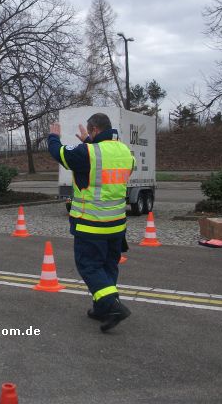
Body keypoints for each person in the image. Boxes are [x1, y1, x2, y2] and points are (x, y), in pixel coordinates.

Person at [48, 113, 135, 332]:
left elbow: (58, 153)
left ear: (94, 130)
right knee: (108, 266)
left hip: (91, 224)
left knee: (89, 265)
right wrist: (89, 141)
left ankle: (112, 306)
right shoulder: (125, 151)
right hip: (117, 224)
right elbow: (104, 164)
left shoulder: (87, 153)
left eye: (90, 132)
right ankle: (101, 308)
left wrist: (53, 136)